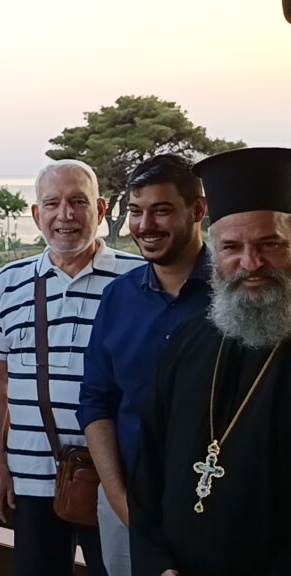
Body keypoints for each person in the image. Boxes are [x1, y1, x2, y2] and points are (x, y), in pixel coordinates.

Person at [0, 159, 143, 576]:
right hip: (31, 474)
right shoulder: (7, 283)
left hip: (116, 476)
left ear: (101, 209)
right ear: (36, 214)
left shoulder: (138, 280)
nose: (64, 215)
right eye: (52, 203)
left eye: (78, 202)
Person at [129, 147, 291, 576]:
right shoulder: (190, 341)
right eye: (232, 247)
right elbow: (149, 468)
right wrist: (158, 565)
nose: (250, 263)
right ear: (215, 254)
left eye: (271, 244)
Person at [77, 155, 211, 576]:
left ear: (198, 210)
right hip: (127, 506)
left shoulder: (236, 298)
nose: (145, 225)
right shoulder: (117, 298)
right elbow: (96, 402)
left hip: (217, 509)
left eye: (162, 210)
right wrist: (123, 505)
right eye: (136, 211)